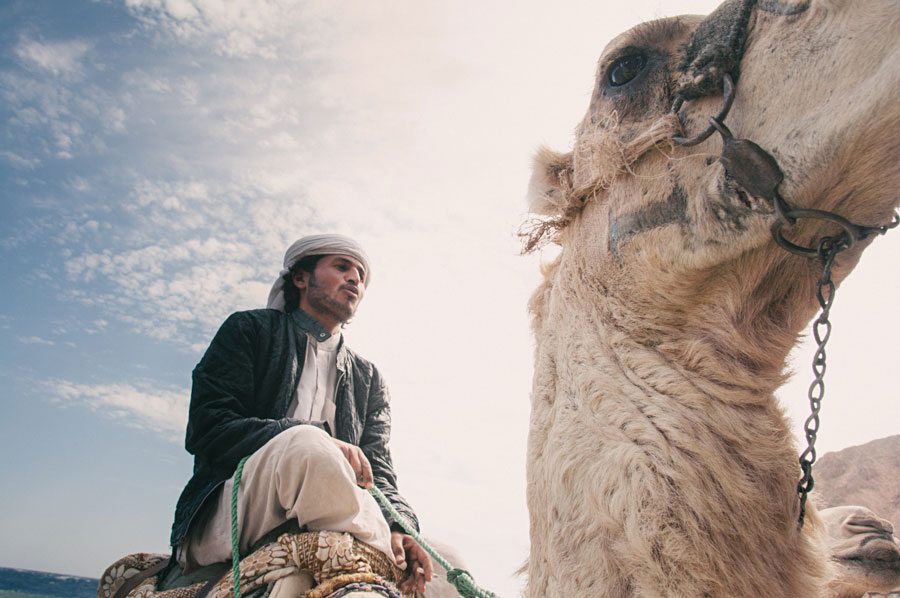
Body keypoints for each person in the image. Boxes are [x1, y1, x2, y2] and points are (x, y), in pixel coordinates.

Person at [169, 233, 433, 593]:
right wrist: (313, 440)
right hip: (239, 506)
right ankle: (381, 556)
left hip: (345, 517)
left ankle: (386, 549)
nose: (355, 278)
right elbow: (208, 426)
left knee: (443, 567)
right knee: (309, 445)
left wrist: (402, 527)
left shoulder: (369, 379)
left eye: (360, 274)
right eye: (342, 267)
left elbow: (379, 470)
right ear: (300, 278)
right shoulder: (248, 330)